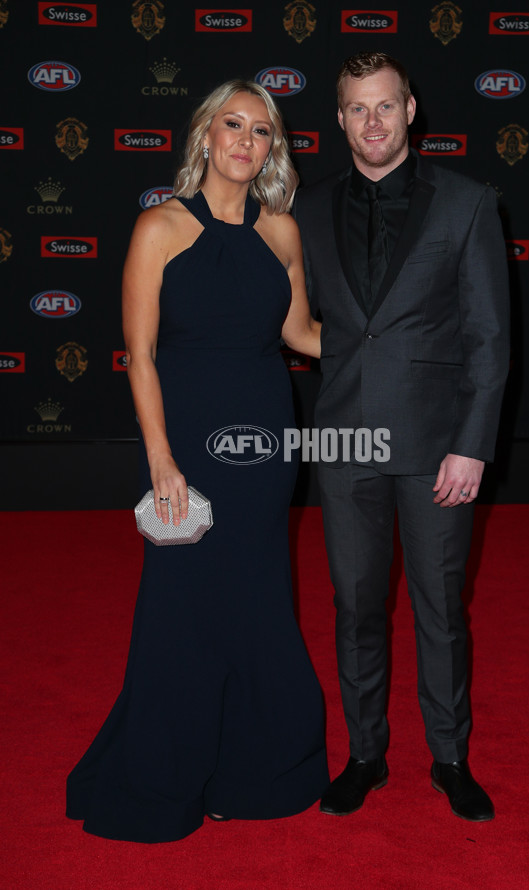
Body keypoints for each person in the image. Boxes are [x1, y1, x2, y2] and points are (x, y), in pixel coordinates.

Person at [66, 79, 328, 842]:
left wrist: (391, 347)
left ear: (271, 148)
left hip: (264, 447)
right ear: (205, 137)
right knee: (181, 613)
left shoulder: (281, 233)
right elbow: (139, 355)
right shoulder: (160, 228)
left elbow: (304, 334)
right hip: (184, 449)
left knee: (255, 607)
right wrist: (161, 460)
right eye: (233, 125)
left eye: (261, 131)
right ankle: (163, 776)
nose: (246, 141)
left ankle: (254, 774)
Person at [293, 52, 510, 822]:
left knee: (439, 607)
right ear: (340, 118)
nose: (373, 122)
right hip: (343, 442)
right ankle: (365, 754)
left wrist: (472, 444)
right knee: (354, 605)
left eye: (386, 106)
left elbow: (489, 337)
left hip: (436, 446)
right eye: (358, 108)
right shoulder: (308, 209)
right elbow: (297, 323)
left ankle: (450, 757)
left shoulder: (467, 203)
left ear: (411, 110)